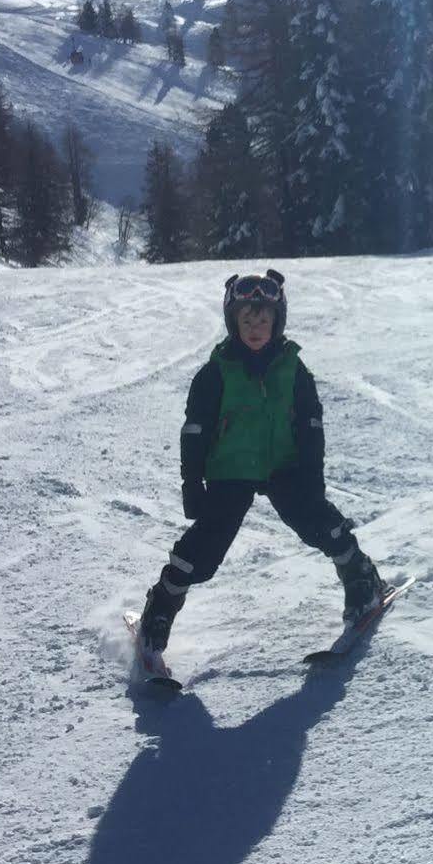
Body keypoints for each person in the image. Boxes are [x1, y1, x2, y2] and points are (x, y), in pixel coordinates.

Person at [133, 270, 386, 665]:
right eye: (247, 321)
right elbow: (194, 430)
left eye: (263, 320)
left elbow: (311, 426)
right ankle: (162, 604)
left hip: (283, 467)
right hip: (230, 471)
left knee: (317, 522)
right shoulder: (216, 372)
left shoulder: (293, 369)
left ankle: (361, 579)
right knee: (205, 547)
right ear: (233, 323)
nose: (255, 328)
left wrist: (312, 478)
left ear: (277, 321)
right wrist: (191, 481)